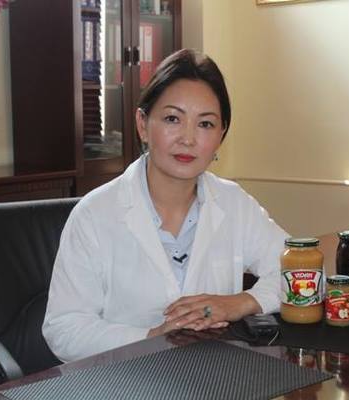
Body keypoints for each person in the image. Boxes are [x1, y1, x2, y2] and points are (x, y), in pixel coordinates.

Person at [42, 49, 287, 362]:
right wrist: (151, 337)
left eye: (205, 124)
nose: (188, 139)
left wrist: (240, 303)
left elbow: (300, 274)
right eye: (173, 119)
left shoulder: (233, 203)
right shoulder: (94, 214)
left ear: (221, 135)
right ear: (143, 124)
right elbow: (64, 329)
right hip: (127, 378)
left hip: (213, 373)